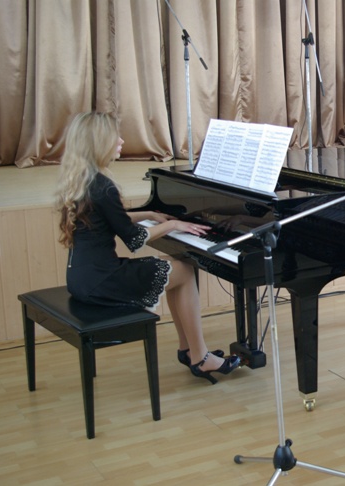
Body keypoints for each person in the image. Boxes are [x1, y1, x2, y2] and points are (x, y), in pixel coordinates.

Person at [56, 112, 241, 384]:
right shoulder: (104, 187)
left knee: (174, 266)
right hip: (103, 281)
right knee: (185, 270)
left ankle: (188, 348)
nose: (121, 141)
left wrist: (151, 214)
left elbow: (112, 220)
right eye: (115, 137)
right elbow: (133, 240)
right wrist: (172, 224)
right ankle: (200, 357)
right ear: (98, 142)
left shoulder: (82, 180)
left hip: (82, 279)